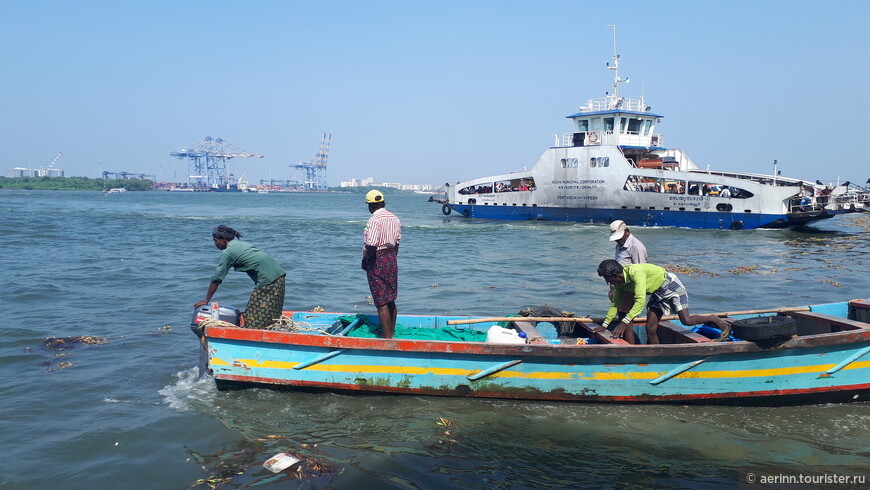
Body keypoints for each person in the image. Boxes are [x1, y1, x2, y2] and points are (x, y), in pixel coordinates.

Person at [595, 259, 732, 344]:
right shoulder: (620, 284)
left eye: (608, 278)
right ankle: (656, 351)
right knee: (650, 327)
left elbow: (640, 301)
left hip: (671, 287)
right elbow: (615, 304)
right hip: (658, 293)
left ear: (615, 275)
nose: (608, 282)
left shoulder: (636, 273)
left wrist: (624, 322)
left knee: (686, 320)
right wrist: (605, 325)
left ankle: (715, 319)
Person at [194, 225, 286, 329]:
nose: (215, 243)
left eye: (216, 240)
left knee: (255, 316)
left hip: (269, 280)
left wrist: (206, 300)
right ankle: (268, 329)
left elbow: (217, 278)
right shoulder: (240, 245)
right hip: (278, 275)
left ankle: (255, 334)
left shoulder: (228, 253)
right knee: (265, 310)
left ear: (224, 239)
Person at [361, 190, 401, 338]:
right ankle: (390, 332)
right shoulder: (394, 218)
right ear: (382, 203)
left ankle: (388, 339)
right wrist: (391, 259)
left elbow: (371, 245)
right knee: (390, 298)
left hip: (377, 258)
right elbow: (397, 243)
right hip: (391, 258)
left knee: (381, 301)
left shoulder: (374, 220)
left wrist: (366, 260)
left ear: (370, 206)